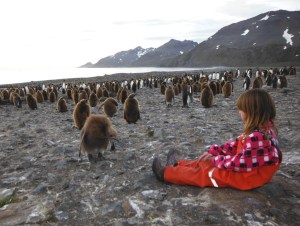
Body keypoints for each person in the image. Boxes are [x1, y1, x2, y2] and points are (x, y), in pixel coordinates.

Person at [152, 88, 282, 190]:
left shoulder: (259, 138)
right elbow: (234, 145)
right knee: (205, 162)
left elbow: (241, 163)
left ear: (252, 112)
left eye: (241, 109)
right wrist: (215, 152)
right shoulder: (260, 132)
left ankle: (166, 174)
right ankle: (176, 164)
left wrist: (216, 160)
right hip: (246, 171)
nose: (239, 112)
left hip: (246, 178)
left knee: (204, 173)